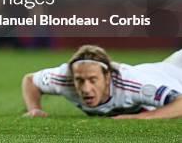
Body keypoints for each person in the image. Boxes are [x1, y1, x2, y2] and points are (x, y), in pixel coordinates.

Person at [22, 45, 182, 119]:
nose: (86, 89)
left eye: (93, 80)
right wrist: (34, 109)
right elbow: (30, 80)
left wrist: (142, 118)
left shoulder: (132, 85)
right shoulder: (64, 78)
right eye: (80, 80)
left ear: (107, 77)